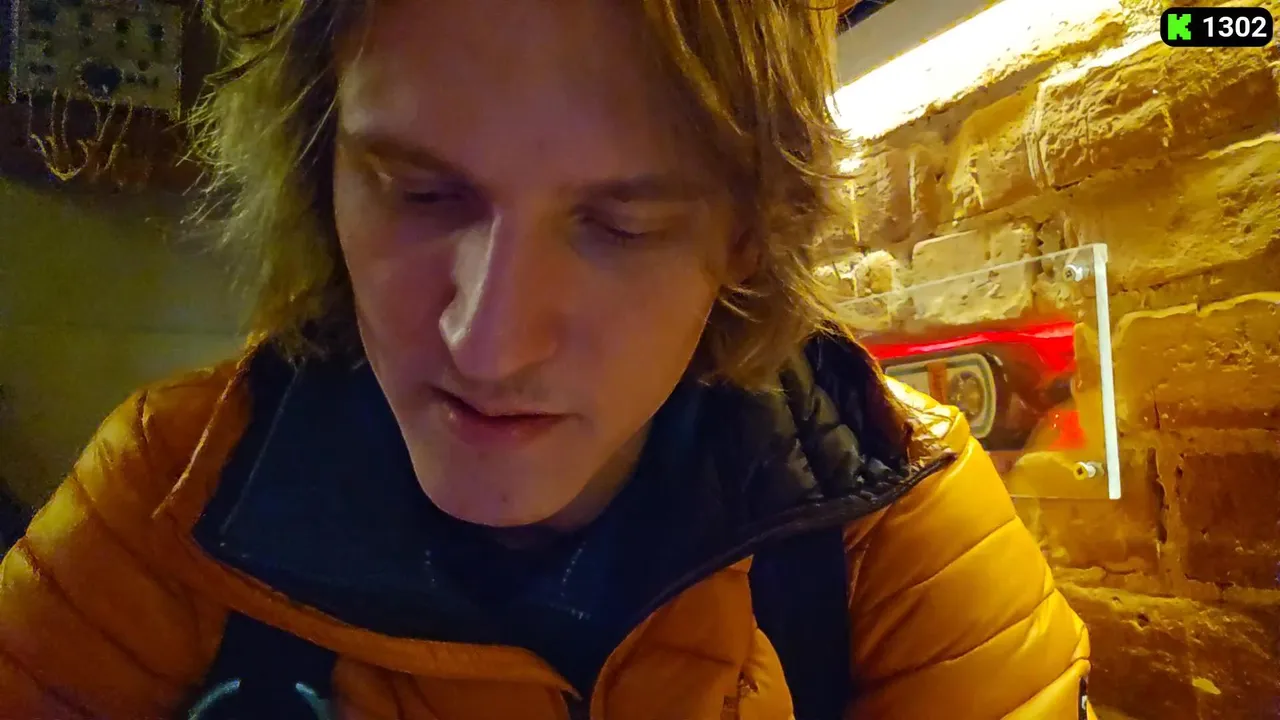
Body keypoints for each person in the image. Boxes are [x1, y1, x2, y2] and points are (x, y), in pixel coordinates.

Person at [0, 0, 1095, 718]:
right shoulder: (166, 495)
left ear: (747, 238)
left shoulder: (896, 527)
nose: (488, 344)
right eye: (420, 193)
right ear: (320, 172)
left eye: (622, 227)